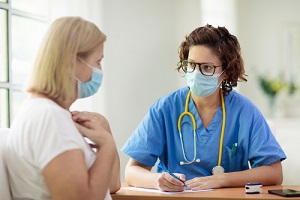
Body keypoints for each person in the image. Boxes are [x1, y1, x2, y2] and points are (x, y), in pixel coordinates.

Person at [121, 24, 286, 192]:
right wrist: (158, 180)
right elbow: (132, 171)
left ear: (226, 72)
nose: (196, 73)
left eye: (207, 67)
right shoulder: (165, 108)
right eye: (192, 65)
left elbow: (274, 173)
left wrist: (221, 179)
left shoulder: (244, 111)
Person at [5, 16, 120, 199]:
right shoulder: (49, 117)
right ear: (71, 61)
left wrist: (104, 138)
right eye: (98, 62)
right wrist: (106, 145)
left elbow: (112, 185)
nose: (100, 71)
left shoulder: (51, 113)